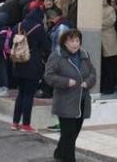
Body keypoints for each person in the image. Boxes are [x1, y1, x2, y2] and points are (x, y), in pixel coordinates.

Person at [45, 29, 97, 162]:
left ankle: (59, 153)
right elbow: (49, 76)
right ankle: (68, 158)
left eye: (77, 41)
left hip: (82, 100)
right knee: (68, 133)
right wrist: (66, 82)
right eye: (71, 41)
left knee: (73, 132)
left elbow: (92, 73)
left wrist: (87, 82)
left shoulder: (84, 55)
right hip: (65, 101)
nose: (75, 44)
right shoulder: (57, 56)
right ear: (64, 43)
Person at [11, 1, 46, 132]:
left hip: (19, 63)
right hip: (33, 64)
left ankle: (15, 122)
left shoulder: (18, 25)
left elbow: (11, 42)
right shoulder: (39, 27)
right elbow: (46, 46)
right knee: (29, 95)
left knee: (20, 93)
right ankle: (26, 124)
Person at [0, 0, 22, 97]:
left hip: (5, 36)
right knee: (9, 62)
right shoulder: (18, 5)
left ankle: (4, 86)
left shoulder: (5, 6)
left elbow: (0, 21)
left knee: (3, 62)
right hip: (13, 35)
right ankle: (8, 84)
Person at [101, 0, 117, 95]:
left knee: (109, 65)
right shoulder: (94, 9)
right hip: (99, 41)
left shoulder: (110, 9)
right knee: (102, 66)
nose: (102, 0)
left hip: (108, 41)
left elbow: (110, 21)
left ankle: (109, 87)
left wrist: (97, 23)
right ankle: (102, 86)